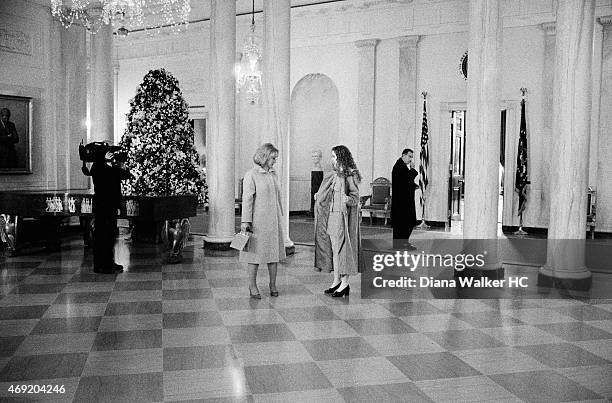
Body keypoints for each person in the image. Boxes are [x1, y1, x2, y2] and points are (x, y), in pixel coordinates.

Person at [314, 145, 361, 297]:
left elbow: (355, 197)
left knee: (343, 250)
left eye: (334, 156)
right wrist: (319, 196)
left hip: (343, 217)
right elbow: (326, 193)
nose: (332, 159)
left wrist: (348, 199)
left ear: (341, 157)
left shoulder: (350, 175)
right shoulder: (333, 175)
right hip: (331, 217)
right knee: (334, 249)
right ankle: (336, 281)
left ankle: (345, 283)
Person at [240, 143, 286, 298]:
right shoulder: (251, 174)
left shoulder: (273, 174)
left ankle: (272, 285)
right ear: (265, 157)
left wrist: (280, 216)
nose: (275, 161)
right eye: (273, 158)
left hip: (273, 221)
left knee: (274, 254)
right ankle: (252, 286)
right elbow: (247, 200)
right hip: (257, 222)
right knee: (254, 256)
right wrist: (246, 221)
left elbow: (278, 197)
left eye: (276, 158)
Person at [82, 143, 131, 274]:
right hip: (103, 205)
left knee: (110, 235)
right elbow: (116, 175)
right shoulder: (99, 167)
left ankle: (109, 261)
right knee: (102, 236)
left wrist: (118, 163)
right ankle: (101, 265)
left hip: (110, 205)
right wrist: (114, 164)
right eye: (108, 152)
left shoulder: (107, 166)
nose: (111, 154)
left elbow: (125, 175)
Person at [391, 148, 419, 249]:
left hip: (403, 200)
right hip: (402, 202)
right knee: (405, 223)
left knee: (404, 223)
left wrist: (414, 185)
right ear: (403, 155)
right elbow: (406, 181)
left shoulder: (401, 166)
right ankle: (401, 244)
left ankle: (401, 243)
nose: (410, 159)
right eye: (409, 156)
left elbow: (406, 181)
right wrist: (413, 169)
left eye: (411, 157)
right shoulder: (399, 166)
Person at [310, 149, 324, 216]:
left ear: (320, 157)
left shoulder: (319, 168)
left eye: (316, 156)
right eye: (313, 156)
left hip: (317, 187)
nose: (314, 158)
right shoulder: (314, 168)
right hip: (314, 187)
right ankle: (313, 210)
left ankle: (316, 211)